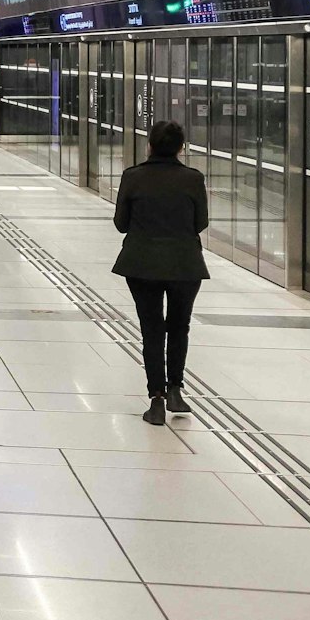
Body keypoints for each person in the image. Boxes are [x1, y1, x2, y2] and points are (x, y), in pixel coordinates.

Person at [114, 121, 210, 426]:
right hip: (185, 265)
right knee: (179, 326)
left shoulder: (133, 177)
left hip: (141, 264)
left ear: (150, 145)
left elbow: (121, 224)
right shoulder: (193, 179)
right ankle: (175, 391)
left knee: (151, 329)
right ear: (181, 147)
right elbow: (201, 223)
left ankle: (155, 399)